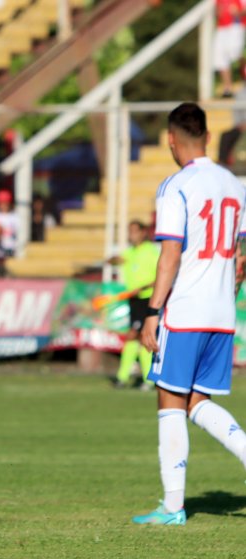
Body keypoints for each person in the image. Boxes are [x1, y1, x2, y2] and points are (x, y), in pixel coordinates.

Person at [134, 103, 246, 526]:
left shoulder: (176, 185)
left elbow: (170, 255)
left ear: (171, 139)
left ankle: (172, 506)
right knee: (198, 401)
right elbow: (240, 257)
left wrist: (152, 311)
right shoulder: (234, 185)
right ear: (208, 137)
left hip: (184, 310)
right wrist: (230, 289)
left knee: (170, 399)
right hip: (221, 311)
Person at [108, 220, 159, 390]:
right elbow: (116, 260)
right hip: (134, 299)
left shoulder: (151, 251)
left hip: (147, 298)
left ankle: (132, 378)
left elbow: (161, 276)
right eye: (130, 231)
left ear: (143, 232)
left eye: (134, 231)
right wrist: (112, 259)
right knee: (136, 337)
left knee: (136, 336)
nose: (131, 235)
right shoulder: (130, 252)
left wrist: (142, 288)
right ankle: (135, 378)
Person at [214, 0, 244, 98]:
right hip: (221, 28)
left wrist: (238, 12)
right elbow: (216, 11)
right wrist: (218, 12)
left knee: (235, 53)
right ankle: (228, 88)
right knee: (220, 57)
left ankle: (243, 77)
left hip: (236, 26)